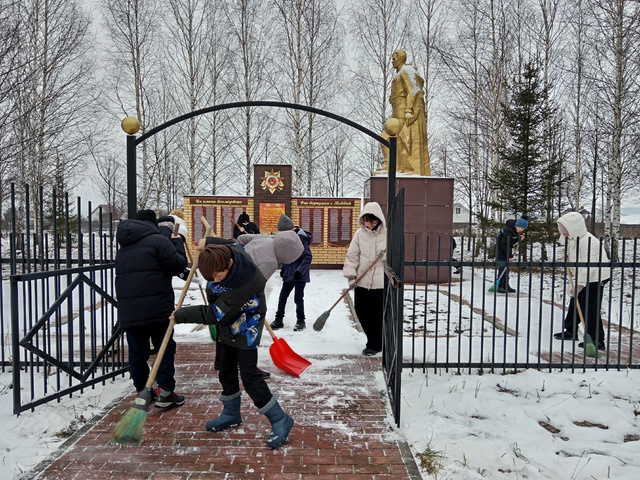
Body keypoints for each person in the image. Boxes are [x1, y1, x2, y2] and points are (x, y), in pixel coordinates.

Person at [172, 244, 294, 449]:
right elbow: (228, 242)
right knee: (225, 369)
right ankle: (231, 413)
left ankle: (279, 418)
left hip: (246, 329)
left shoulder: (244, 282)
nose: (216, 280)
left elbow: (214, 314)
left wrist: (180, 315)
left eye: (219, 275)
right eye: (212, 277)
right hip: (228, 326)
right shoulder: (229, 256)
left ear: (229, 264)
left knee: (249, 376)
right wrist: (207, 242)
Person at [199, 230, 304, 377]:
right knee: (248, 329)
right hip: (234, 290)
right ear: (288, 256)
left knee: (223, 322)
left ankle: (221, 361)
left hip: (218, 280)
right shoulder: (271, 262)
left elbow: (240, 239)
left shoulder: (264, 237)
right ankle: (249, 368)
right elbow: (255, 285)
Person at [115, 209, 187, 408]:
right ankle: (165, 391)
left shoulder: (123, 248)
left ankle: (142, 390)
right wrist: (177, 243)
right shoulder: (158, 241)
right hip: (157, 307)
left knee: (137, 350)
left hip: (130, 310)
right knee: (164, 346)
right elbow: (178, 265)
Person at [553, 212, 610, 350]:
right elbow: (577, 259)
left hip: (597, 278)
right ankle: (571, 331)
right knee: (575, 303)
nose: (563, 233)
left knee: (589, 307)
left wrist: (579, 285)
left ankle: (597, 340)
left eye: (564, 230)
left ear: (573, 228)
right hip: (584, 275)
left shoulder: (589, 242)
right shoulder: (574, 239)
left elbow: (589, 266)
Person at [343, 202, 387, 356]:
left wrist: (384, 256)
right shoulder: (359, 234)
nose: (369, 225)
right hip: (362, 281)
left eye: (373, 221)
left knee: (377, 315)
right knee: (361, 313)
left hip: (380, 283)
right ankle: (372, 339)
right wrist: (351, 276)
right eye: (367, 221)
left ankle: (375, 344)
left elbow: (395, 256)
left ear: (379, 220)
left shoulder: (387, 234)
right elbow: (352, 256)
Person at [380, 49, 431, 176]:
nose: (392, 61)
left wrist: (409, 111)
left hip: (404, 113)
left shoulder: (407, 71)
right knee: (385, 138)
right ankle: (390, 164)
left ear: (401, 58)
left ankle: (407, 169)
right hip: (396, 113)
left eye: (394, 58)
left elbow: (414, 90)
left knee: (405, 142)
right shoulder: (400, 73)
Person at [270, 214, 313, 332]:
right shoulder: (287, 237)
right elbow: (286, 254)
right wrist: (284, 267)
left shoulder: (301, 238)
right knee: (282, 296)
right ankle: (279, 319)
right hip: (289, 272)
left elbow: (307, 257)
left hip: (300, 273)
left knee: (298, 298)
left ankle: (301, 320)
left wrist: (299, 271)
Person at [495, 215, 528, 293]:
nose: (522, 230)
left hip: (505, 251)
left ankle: (506, 285)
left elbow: (511, 242)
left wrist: (518, 239)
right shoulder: (508, 230)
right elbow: (505, 244)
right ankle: (500, 285)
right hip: (501, 251)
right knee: (502, 268)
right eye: (522, 228)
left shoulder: (513, 230)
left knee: (506, 268)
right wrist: (509, 255)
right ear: (518, 225)